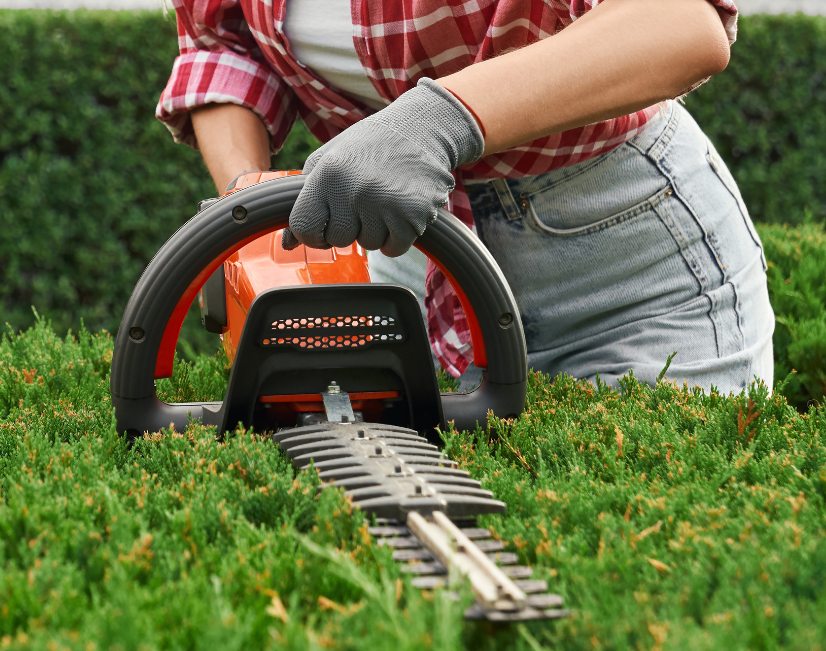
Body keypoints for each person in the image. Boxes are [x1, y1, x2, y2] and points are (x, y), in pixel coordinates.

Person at [157, 0, 774, 394]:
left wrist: (439, 119)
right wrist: (246, 189)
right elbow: (221, 44)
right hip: (405, 257)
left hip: (624, 279)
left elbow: (681, 20)